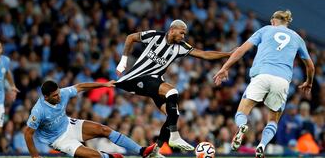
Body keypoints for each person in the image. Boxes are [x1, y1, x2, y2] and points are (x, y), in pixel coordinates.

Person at [115, 19, 233, 157]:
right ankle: (174, 134)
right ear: (172, 30)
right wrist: (123, 61)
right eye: (182, 33)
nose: (183, 36)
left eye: (185, 34)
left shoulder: (180, 47)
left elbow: (204, 54)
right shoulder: (155, 36)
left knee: (173, 114)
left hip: (154, 79)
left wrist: (228, 54)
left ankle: (155, 151)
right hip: (137, 77)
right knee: (172, 91)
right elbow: (131, 37)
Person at [213, 10, 315, 158]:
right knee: (273, 119)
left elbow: (241, 49)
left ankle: (242, 126)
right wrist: (309, 82)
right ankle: (262, 145)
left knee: (243, 110)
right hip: (282, 81)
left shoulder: (265, 30)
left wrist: (225, 68)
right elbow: (311, 66)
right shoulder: (298, 38)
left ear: (273, 20)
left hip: (262, 75)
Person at [24, 80, 157, 158]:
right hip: (58, 140)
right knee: (94, 156)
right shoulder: (38, 110)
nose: (59, 97)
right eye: (55, 96)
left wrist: (104, 85)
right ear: (46, 97)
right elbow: (28, 133)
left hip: (69, 125)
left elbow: (80, 86)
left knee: (103, 129)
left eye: (58, 93)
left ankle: (142, 151)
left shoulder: (62, 93)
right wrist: (35, 156)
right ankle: (109, 157)